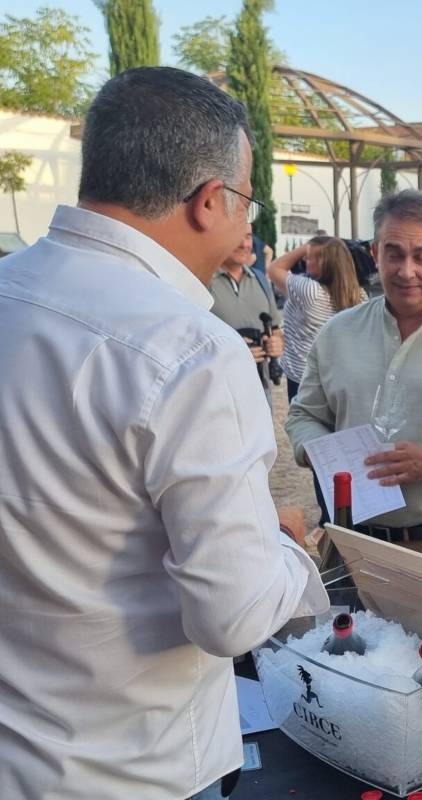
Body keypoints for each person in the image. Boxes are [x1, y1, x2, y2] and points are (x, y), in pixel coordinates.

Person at [0, 66, 327, 800]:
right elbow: (233, 615)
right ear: (211, 202)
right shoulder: (191, 351)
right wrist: (280, 545)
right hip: (136, 769)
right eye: (246, 204)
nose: (248, 228)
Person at [286, 191, 422, 570]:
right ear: (376, 254)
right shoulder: (337, 333)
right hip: (351, 543)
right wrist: (330, 455)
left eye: (421, 256)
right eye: (394, 254)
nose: (406, 271)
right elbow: (303, 416)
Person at [267, 236, 367, 401]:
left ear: (322, 262)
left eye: (308, 257)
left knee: (303, 425)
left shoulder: (310, 291)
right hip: (336, 376)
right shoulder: (359, 295)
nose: (304, 260)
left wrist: (307, 245)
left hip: (303, 379)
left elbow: (274, 269)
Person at [209, 226, 283, 406]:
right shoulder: (203, 281)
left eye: (248, 237)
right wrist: (236, 354)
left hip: (260, 390)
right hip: (218, 394)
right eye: (237, 236)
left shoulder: (261, 280)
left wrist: (277, 344)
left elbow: (275, 330)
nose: (244, 244)